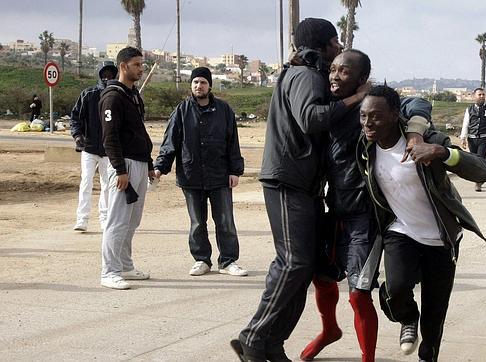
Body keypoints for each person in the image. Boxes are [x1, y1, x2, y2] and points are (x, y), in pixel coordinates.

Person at [232, 18, 353, 362]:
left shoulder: (307, 73)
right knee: (293, 262)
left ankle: (271, 343)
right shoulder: (305, 76)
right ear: (324, 45)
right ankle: (254, 336)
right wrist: (356, 97)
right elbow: (311, 118)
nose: (339, 50)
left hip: (303, 182)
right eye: (336, 43)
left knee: (305, 265)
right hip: (287, 180)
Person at [300, 50, 430, 362]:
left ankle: (367, 358)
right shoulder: (331, 107)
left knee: (359, 294)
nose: (334, 76)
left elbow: (418, 104)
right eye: (332, 70)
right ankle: (329, 330)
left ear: (362, 79)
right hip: (335, 210)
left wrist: (414, 132)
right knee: (322, 278)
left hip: (366, 217)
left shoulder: (371, 105)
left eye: (344, 72)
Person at [356, 85, 486, 361]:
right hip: (401, 231)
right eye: (363, 116)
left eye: (376, 117)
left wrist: (442, 152)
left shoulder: (426, 139)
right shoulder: (364, 145)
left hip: (442, 239)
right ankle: (408, 318)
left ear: (395, 115)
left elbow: (483, 171)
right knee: (395, 289)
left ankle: (427, 355)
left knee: (434, 316)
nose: (368, 124)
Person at [153, 67, 247, 277]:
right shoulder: (181, 111)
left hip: (220, 176)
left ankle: (228, 261)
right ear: (191, 85)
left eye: (203, 82)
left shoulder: (224, 110)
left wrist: (235, 171)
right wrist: (160, 167)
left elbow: (233, 143)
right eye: (195, 82)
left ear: (209, 85)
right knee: (197, 222)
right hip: (191, 174)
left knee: (225, 221)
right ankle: (201, 259)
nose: (199, 86)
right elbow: (170, 143)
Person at [98, 47, 154, 290]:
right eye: (137, 65)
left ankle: (125, 266)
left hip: (140, 163)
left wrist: (150, 164)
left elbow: (139, 132)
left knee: (132, 220)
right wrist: (120, 170)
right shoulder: (113, 97)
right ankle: (109, 271)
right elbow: (110, 138)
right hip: (124, 167)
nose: (141, 69)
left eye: (142, 65)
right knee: (117, 221)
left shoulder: (133, 96)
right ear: (123, 66)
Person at [70, 61, 118, 232]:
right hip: (89, 148)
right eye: (104, 74)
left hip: (108, 150)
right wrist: (77, 136)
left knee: (107, 185)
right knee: (86, 182)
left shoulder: (117, 96)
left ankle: (104, 219)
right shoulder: (88, 95)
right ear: (99, 75)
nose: (107, 78)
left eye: (111, 75)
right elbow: (75, 118)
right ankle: (82, 219)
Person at [459, 87, 486, 191]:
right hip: (472, 139)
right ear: (474, 96)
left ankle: (478, 182)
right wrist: (463, 138)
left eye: (483, 94)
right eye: (479, 95)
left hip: (484, 139)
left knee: (481, 159)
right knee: (474, 160)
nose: (482, 96)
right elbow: (465, 124)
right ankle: (477, 178)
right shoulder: (469, 109)